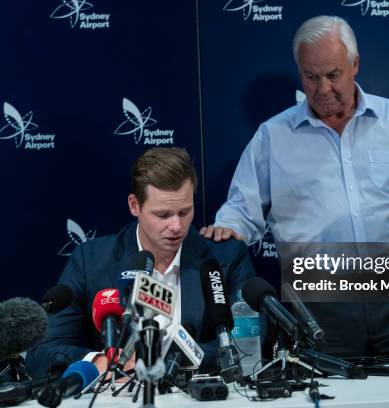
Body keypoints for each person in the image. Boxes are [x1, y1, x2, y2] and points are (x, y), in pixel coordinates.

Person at [201, 15, 389, 360]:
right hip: (319, 307)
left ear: (355, 64)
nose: (323, 88)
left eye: (333, 75)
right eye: (311, 77)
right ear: (300, 72)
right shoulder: (273, 136)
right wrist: (229, 228)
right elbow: (241, 210)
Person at [26, 147, 255, 378]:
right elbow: (44, 352)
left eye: (184, 212)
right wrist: (101, 361)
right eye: (163, 215)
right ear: (135, 205)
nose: (176, 226)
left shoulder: (227, 257)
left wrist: (169, 361)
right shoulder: (90, 261)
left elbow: (248, 347)